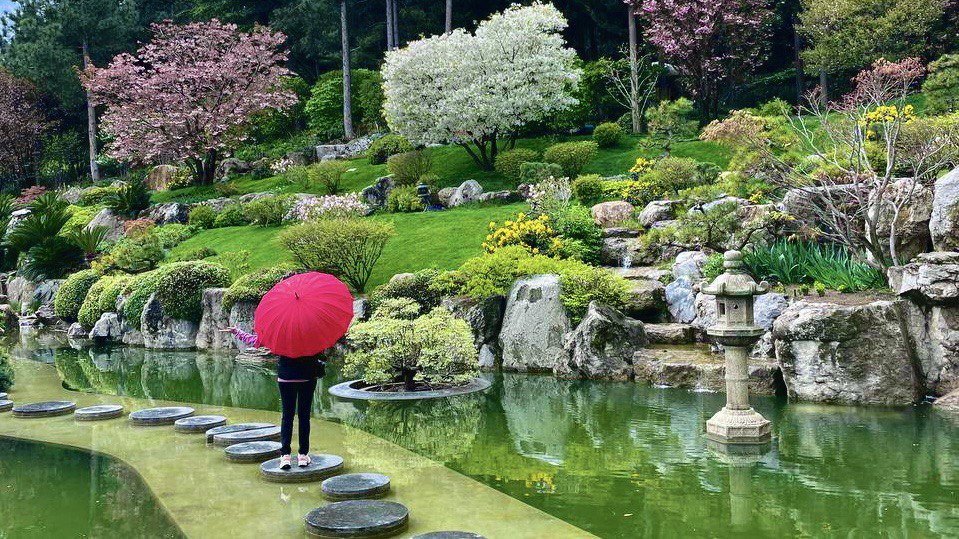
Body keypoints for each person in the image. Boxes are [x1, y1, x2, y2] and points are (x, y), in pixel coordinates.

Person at [222, 326, 325, 470]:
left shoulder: (280, 332)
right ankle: (302, 456)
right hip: (306, 377)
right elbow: (322, 350)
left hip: (286, 377)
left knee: (287, 417)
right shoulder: (312, 331)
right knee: (304, 417)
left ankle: (285, 457)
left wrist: (237, 331)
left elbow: (255, 341)